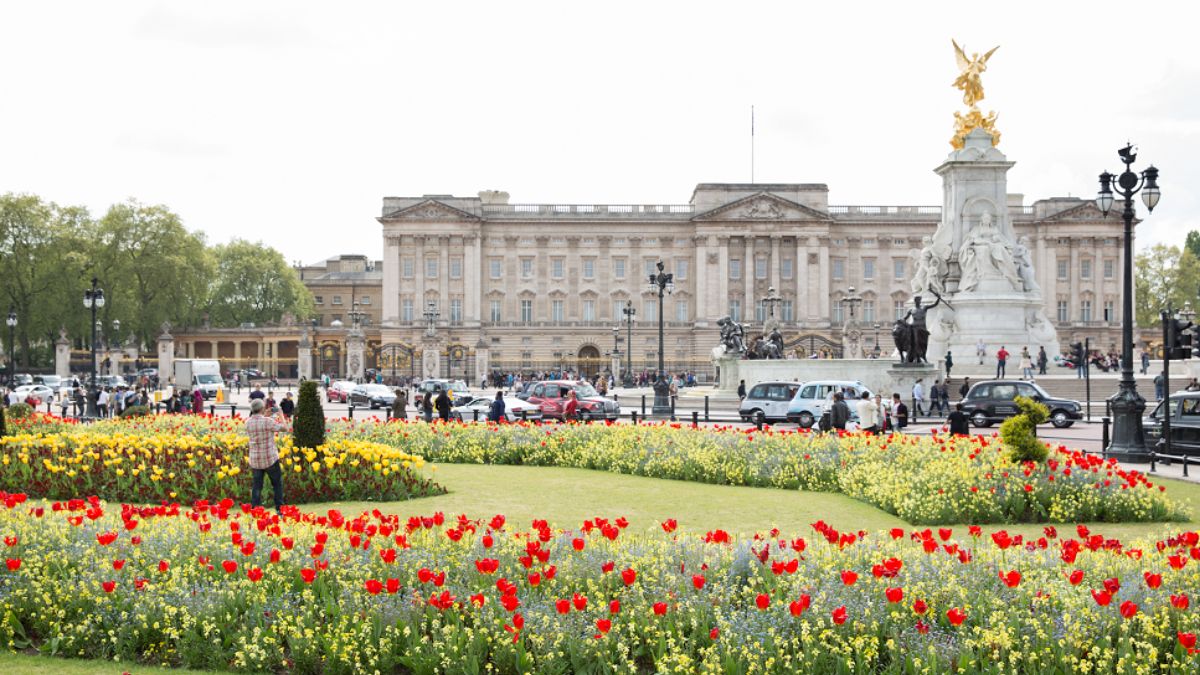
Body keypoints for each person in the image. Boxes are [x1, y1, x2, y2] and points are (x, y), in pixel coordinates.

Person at [246, 398, 289, 514]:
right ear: (262, 408)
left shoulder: (248, 422)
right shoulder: (267, 421)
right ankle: (279, 510)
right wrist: (281, 415)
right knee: (277, 485)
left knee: (257, 486)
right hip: (270, 458)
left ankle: (255, 510)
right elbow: (285, 428)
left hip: (255, 460)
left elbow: (258, 423)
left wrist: (264, 415)